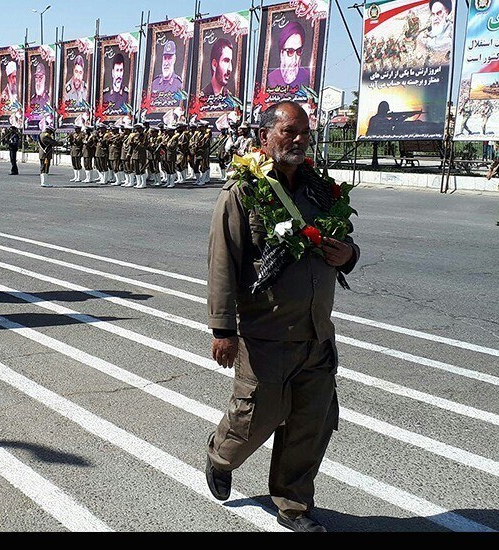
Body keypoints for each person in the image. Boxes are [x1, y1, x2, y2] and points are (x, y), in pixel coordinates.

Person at [205, 100, 359, 533]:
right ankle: (221, 456)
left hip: (316, 332)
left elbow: (345, 242)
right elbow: (223, 261)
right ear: (265, 136)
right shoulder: (242, 191)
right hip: (266, 333)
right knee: (254, 418)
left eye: (304, 132)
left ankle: (294, 505)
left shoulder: (321, 190)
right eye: (289, 131)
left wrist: (349, 255)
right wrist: (223, 329)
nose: (298, 140)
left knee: (312, 423)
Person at [267, 22, 310, 89]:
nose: (295, 59)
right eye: (290, 51)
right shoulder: (270, 79)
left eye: (298, 51)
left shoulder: (307, 77)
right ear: (282, 54)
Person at [418, 0, 454, 66]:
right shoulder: (425, 36)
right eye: (433, 14)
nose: (435, 18)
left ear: (446, 12)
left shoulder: (454, 32)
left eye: (439, 13)